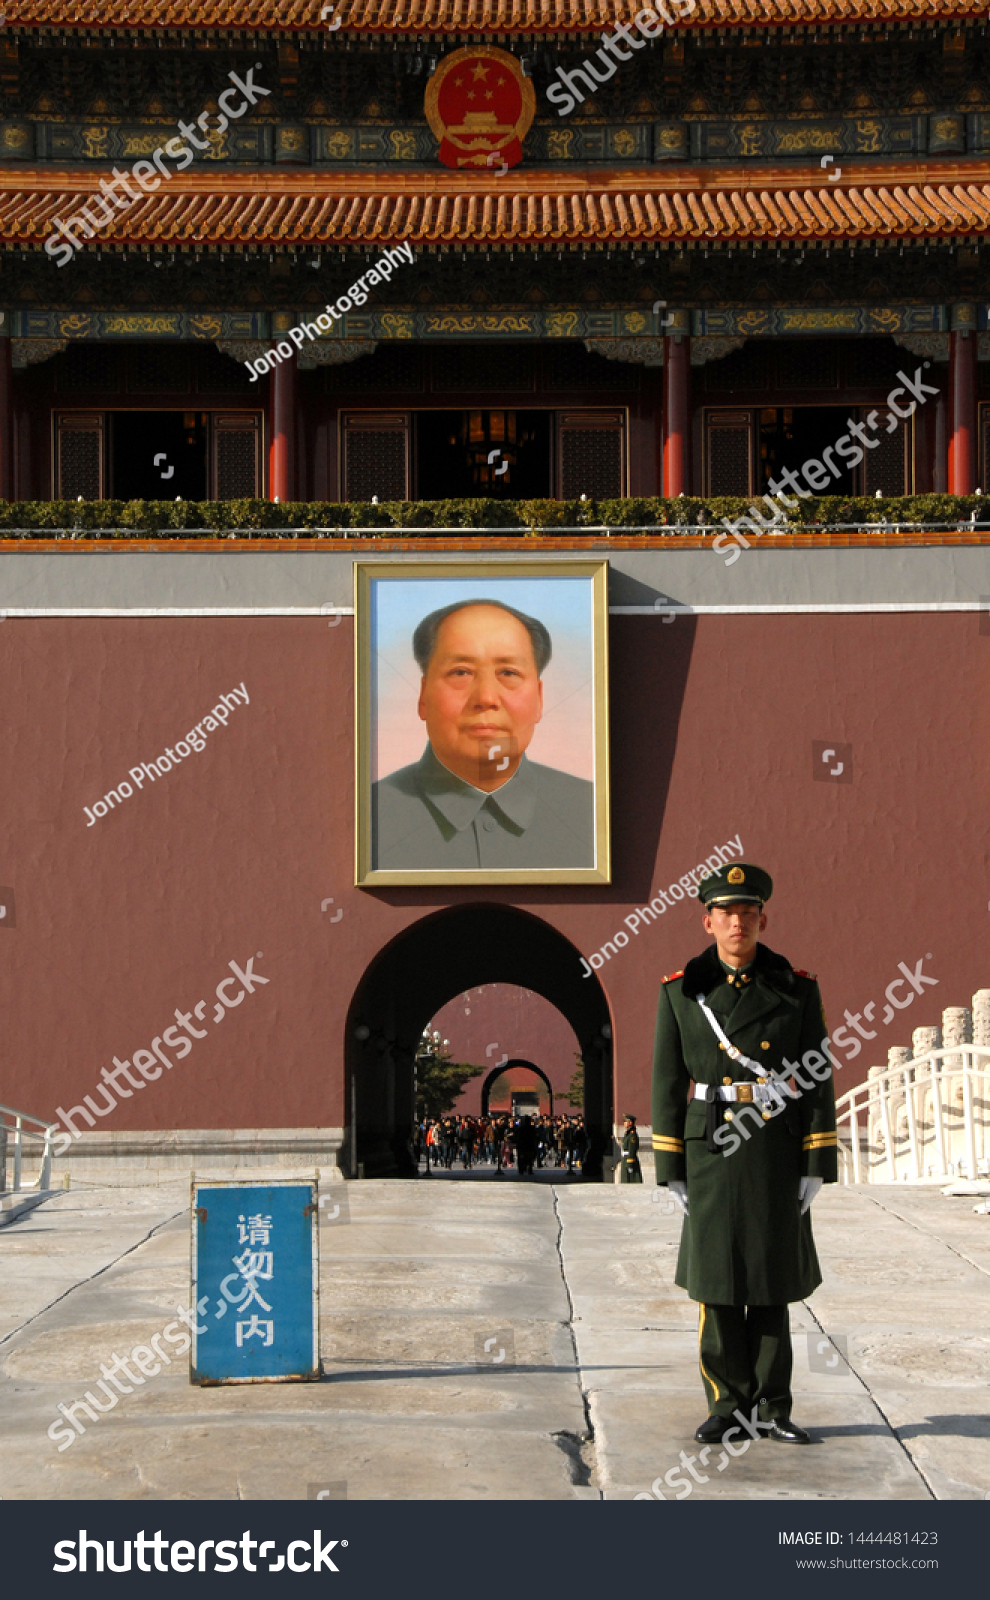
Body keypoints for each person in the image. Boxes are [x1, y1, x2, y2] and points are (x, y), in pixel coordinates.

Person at [650, 861, 837, 1445]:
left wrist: (816, 1162)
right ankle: (727, 1404)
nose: (738, 924)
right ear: (707, 921)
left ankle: (772, 1408)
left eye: (748, 913)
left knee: (771, 1282)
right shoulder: (681, 992)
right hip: (711, 1149)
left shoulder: (796, 989)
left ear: (763, 918)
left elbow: (816, 1077)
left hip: (773, 1149)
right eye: (726, 914)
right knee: (718, 1282)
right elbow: (665, 1081)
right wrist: (670, 1166)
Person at [371, 599, 594, 870]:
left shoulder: (593, 813)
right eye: (461, 672)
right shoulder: (367, 818)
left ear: (539, 699)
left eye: (508, 672)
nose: (486, 698)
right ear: (423, 697)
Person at [619, 1113, 642, 1183]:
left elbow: (632, 1150)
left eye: (625, 1121)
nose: (624, 1123)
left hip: (629, 1160)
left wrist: (630, 1163)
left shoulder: (632, 1135)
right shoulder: (627, 1134)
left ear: (630, 1123)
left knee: (630, 1181)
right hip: (625, 1159)